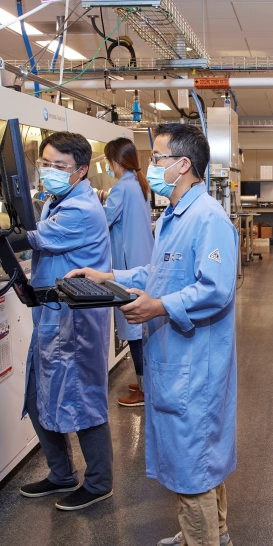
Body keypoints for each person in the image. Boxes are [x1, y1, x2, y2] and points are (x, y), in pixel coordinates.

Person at [67, 123, 238, 546]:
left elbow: (216, 289)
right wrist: (108, 276)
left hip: (195, 364)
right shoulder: (175, 216)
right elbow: (156, 272)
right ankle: (214, 534)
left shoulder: (207, 218)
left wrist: (159, 307)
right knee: (201, 454)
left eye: (160, 157)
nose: (154, 167)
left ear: (183, 164)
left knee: (192, 466)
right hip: (177, 360)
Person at [18, 132, 115, 511]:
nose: (49, 172)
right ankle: (60, 474)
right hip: (51, 314)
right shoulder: (59, 200)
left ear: (80, 171)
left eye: (59, 166)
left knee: (82, 398)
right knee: (37, 393)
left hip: (73, 319)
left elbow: (32, 240)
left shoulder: (81, 209)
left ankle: (99, 482)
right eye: (45, 164)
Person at [103, 137, 154, 408]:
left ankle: (144, 390)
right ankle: (145, 380)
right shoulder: (139, 185)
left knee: (135, 330)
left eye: (108, 162)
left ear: (115, 161)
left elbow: (102, 222)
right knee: (141, 329)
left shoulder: (122, 189)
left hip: (128, 267)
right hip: (142, 262)